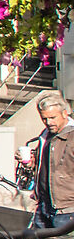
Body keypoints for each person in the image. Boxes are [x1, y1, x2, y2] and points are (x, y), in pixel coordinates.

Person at [29, 91, 73, 225]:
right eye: (44, 119)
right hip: (44, 207)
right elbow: (47, 165)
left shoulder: (71, 137)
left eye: (53, 117)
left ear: (64, 114)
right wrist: (32, 162)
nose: (48, 122)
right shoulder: (45, 135)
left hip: (67, 211)